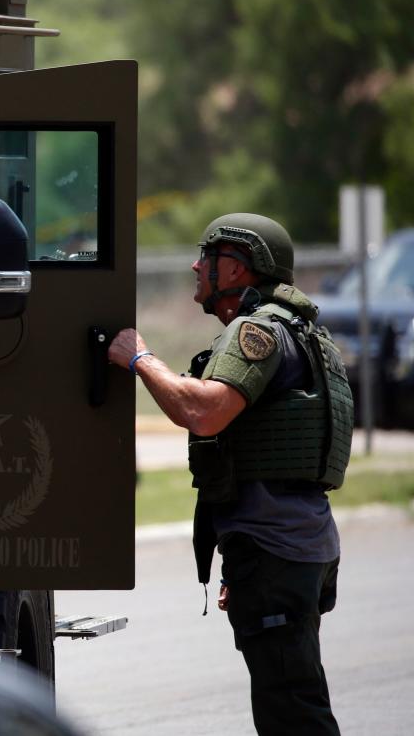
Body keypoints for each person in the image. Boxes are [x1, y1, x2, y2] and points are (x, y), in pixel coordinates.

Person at [109, 213, 353, 735]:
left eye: (208, 256)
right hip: (297, 546)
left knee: (293, 713)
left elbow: (205, 411)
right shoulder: (303, 333)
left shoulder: (257, 331)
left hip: (277, 552)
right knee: (293, 697)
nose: (196, 266)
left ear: (240, 269)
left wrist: (139, 359)